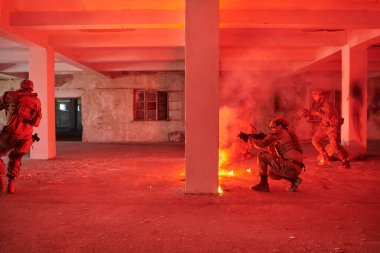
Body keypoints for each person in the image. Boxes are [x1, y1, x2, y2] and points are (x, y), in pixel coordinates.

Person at [239, 117, 304, 192]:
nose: (272, 129)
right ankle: (294, 180)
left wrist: (249, 138)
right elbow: (274, 151)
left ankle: (263, 185)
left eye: (273, 127)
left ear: (280, 126)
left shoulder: (279, 133)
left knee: (262, 155)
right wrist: (267, 141)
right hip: (297, 168)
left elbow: (261, 145)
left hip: (290, 166)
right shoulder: (289, 133)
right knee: (271, 172)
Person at [0, 79, 42, 194]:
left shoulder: (11, 95)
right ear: (32, 88)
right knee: (16, 158)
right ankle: (11, 185)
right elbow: (37, 122)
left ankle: (0, 180)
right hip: (26, 137)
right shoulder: (36, 101)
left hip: (10, 134)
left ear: (21, 86)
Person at [307, 89, 350, 169]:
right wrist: (310, 113)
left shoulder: (328, 105)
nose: (314, 98)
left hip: (331, 127)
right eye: (313, 96)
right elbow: (321, 115)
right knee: (315, 140)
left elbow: (328, 117)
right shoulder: (319, 105)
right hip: (324, 127)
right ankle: (326, 158)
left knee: (335, 146)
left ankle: (345, 161)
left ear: (321, 96)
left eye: (315, 96)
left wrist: (318, 114)